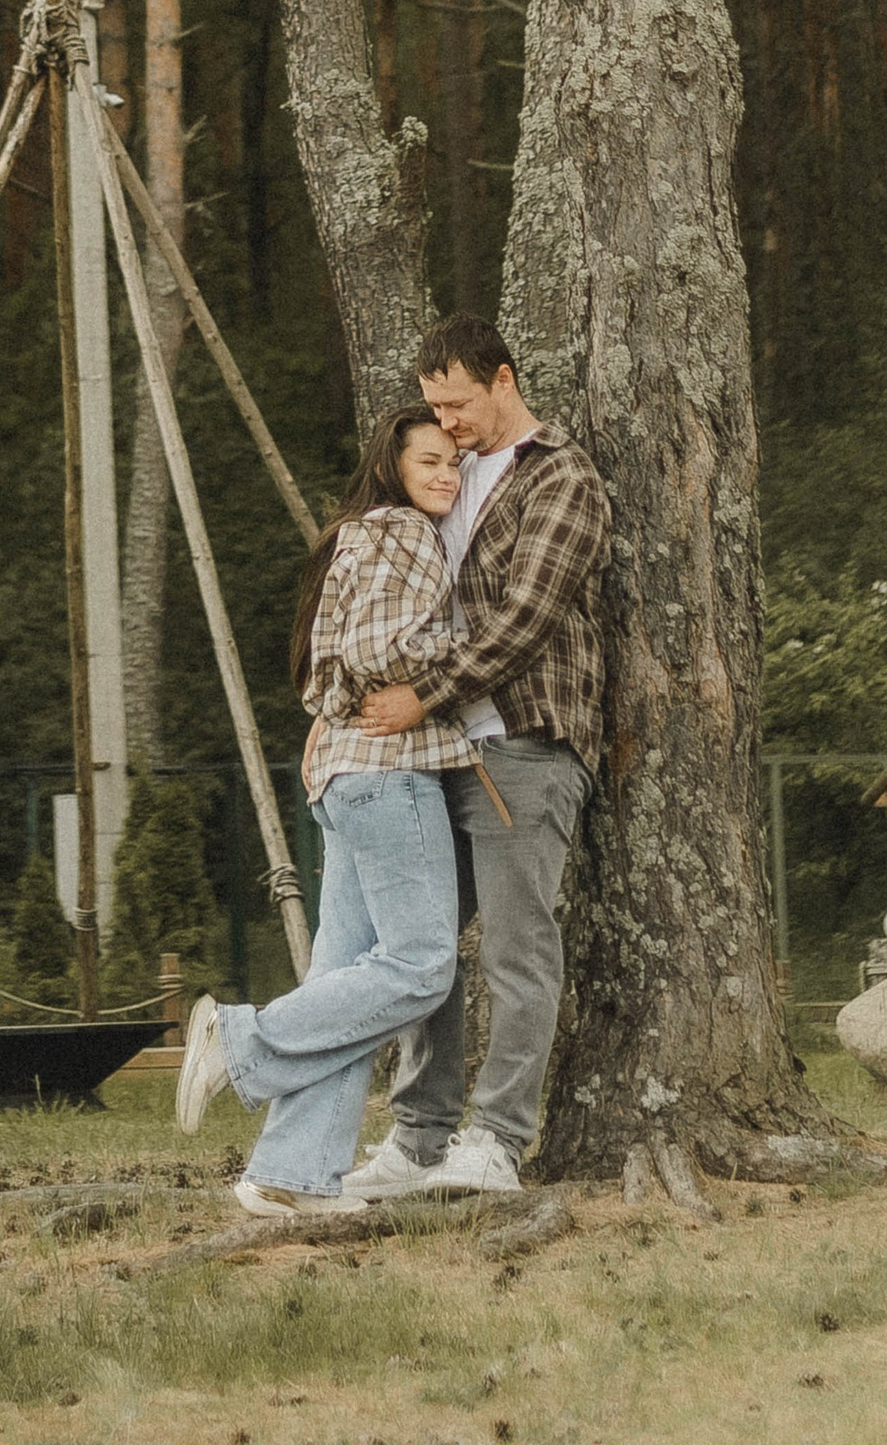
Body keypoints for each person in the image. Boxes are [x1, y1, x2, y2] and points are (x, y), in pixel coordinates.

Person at [172, 405, 473, 1213]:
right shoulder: (405, 533)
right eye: (430, 461)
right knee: (421, 965)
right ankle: (239, 1040)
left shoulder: (356, 534)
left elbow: (322, 672)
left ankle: (290, 1172)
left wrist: (336, 713)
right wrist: (465, 657)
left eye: (454, 462)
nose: (446, 473)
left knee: (346, 981)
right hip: (391, 774)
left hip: (346, 777)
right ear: (394, 468)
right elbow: (381, 650)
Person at [342, 312, 609, 1198]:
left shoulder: (560, 477)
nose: (445, 425)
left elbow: (524, 619)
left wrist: (421, 693)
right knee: (424, 947)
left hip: (523, 746)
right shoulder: (443, 479)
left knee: (515, 946)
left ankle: (497, 1139)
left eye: (455, 404)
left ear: (503, 378)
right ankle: (419, 1134)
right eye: (433, 409)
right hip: (436, 754)